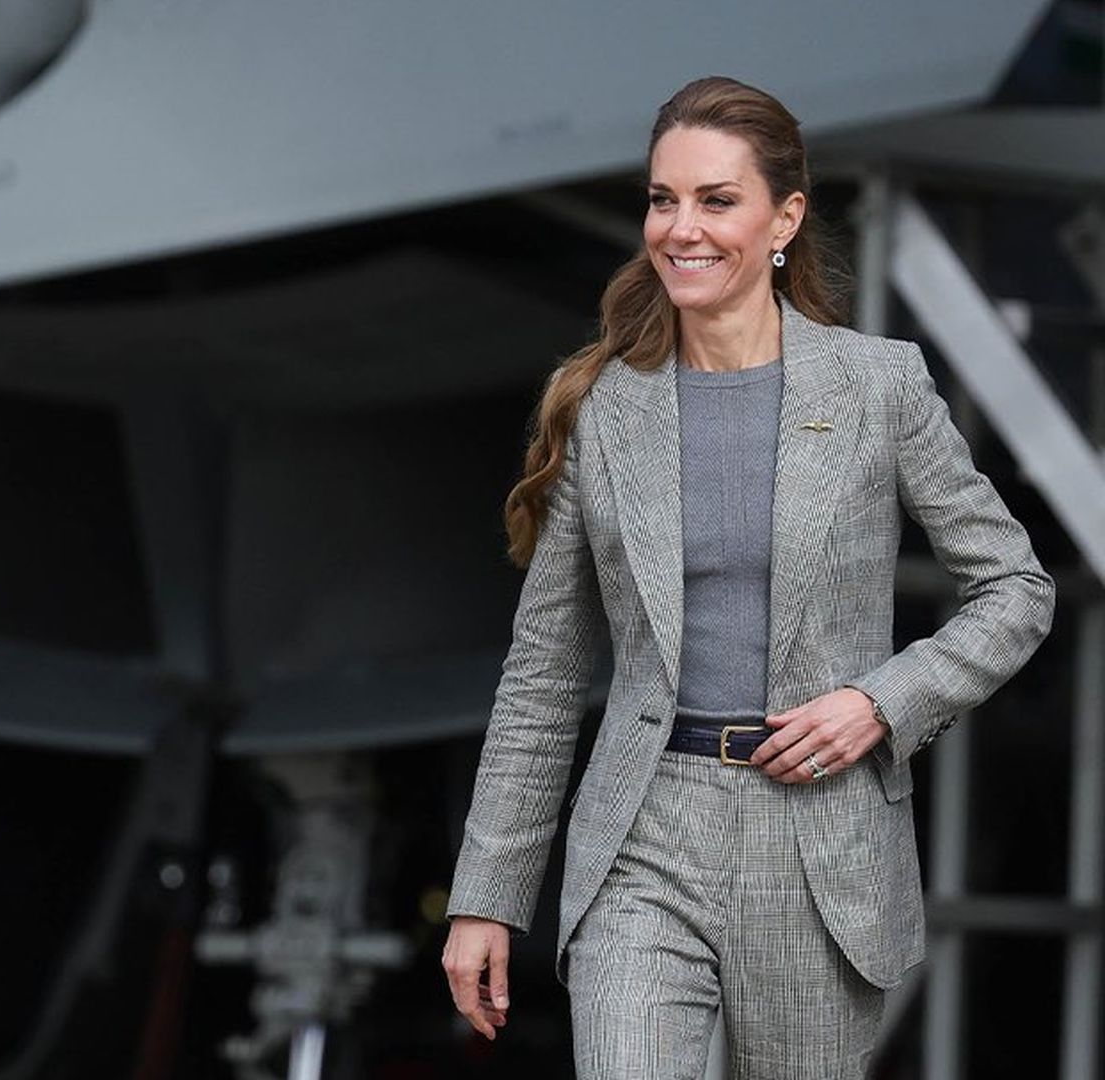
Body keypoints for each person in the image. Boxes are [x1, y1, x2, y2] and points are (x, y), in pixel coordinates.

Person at [438, 75, 1056, 1079]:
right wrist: (486, 896)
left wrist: (881, 702)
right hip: (643, 834)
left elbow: (1017, 590)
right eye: (663, 199)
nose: (681, 229)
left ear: (786, 218)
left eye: (716, 200)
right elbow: (544, 671)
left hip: (817, 839)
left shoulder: (879, 386)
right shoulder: (605, 409)